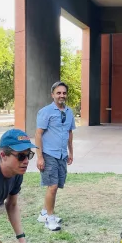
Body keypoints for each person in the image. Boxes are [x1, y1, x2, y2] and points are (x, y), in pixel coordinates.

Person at [35, 81, 75, 231]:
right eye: (58, 93)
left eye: (64, 93)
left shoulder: (69, 112)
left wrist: (71, 152)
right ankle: (50, 219)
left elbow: (69, 132)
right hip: (49, 154)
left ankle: (44, 213)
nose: (61, 95)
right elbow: (38, 134)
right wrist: (40, 157)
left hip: (62, 154)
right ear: (52, 95)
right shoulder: (46, 112)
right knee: (52, 186)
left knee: (56, 186)